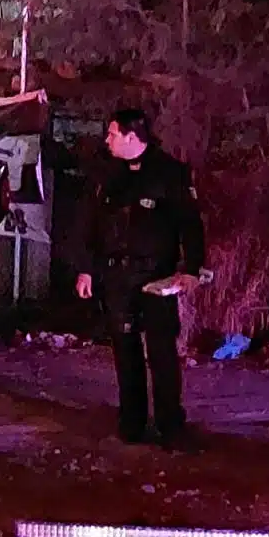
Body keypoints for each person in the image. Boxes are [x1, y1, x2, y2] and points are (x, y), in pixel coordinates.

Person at [72, 108, 206, 449]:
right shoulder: (107, 175)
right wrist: (86, 267)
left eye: (113, 133)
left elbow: (190, 224)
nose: (107, 139)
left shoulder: (169, 173)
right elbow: (89, 224)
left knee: (161, 352)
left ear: (133, 137)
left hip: (155, 278)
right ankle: (132, 422)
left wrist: (191, 267)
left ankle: (170, 424)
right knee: (124, 351)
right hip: (117, 276)